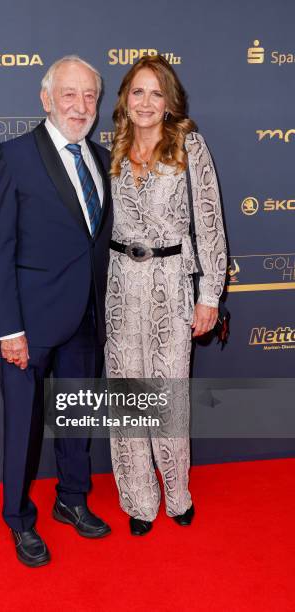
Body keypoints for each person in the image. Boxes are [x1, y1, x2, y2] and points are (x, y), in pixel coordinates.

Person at [0, 55, 113, 567]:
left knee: (78, 416)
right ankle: (17, 519)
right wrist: (8, 328)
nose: (81, 106)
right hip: (29, 325)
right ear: (45, 99)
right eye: (69, 95)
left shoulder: (102, 159)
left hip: (86, 317)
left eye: (90, 97)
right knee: (23, 425)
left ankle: (72, 500)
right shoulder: (12, 157)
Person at [105, 55, 227, 536]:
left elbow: (211, 225)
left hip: (171, 284)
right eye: (138, 92)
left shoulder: (190, 147)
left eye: (156, 93)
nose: (146, 102)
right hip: (119, 285)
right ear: (125, 99)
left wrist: (209, 295)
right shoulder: (110, 147)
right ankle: (138, 499)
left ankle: (177, 494)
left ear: (170, 101)